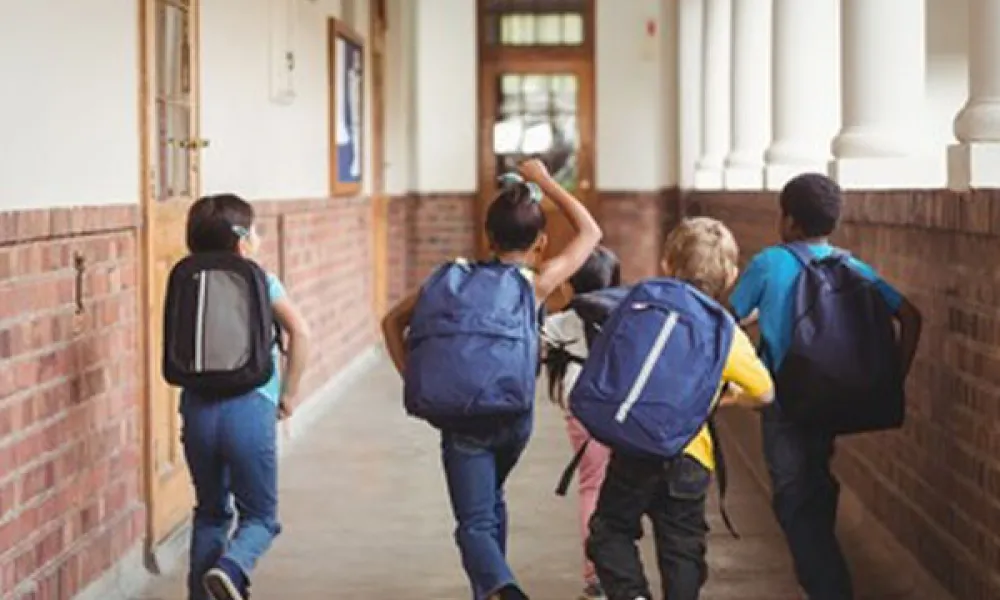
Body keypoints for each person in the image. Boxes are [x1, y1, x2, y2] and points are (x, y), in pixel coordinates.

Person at [382, 159, 602, 600]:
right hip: (512, 418)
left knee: (474, 522)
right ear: (540, 243)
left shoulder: (447, 280)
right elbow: (590, 233)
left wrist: (415, 378)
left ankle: (502, 588)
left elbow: (391, 323)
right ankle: (491, 590)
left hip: (460, 420)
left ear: (488, 236)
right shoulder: (535, 284)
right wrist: (545, 181)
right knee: (490, 501)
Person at [728, 173, 922, 600]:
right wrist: (891, 380)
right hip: (833, 399)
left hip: (785, 400)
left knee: (793, 499)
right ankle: (819, 577)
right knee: (813, 482)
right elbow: (910, 316)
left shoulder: (769, 263)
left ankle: (828, 589)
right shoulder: (852, 266)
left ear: (790, 221)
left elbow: (728, 319)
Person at [586, 217, 775, 600]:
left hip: (635, 446)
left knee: (610, 531)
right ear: (732, 275)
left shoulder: (641, 303)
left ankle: (632, 595)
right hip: (689, 454)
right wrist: (724, 400)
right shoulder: (724, 330)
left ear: (667, 264)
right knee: (682, 551)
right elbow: (764, 392)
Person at [180, 194, 310, 600]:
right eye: (254, 229)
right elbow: (301, 333)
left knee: (211, 514)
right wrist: (289, 394)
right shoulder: (260, 279)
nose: (258, 236)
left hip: (198, 408)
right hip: (250, 408)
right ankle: (231, 569)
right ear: (241, 240)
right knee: (260, 518)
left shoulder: (187, 281)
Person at [542, 246, 621, 600]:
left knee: (591, 486)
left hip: (582, 414)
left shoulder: (560, 323)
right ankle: (621, 568)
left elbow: (537, 347)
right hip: (622, 413)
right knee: (623, 490)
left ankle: (595, 577)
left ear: (570, 286)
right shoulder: (625, 318)